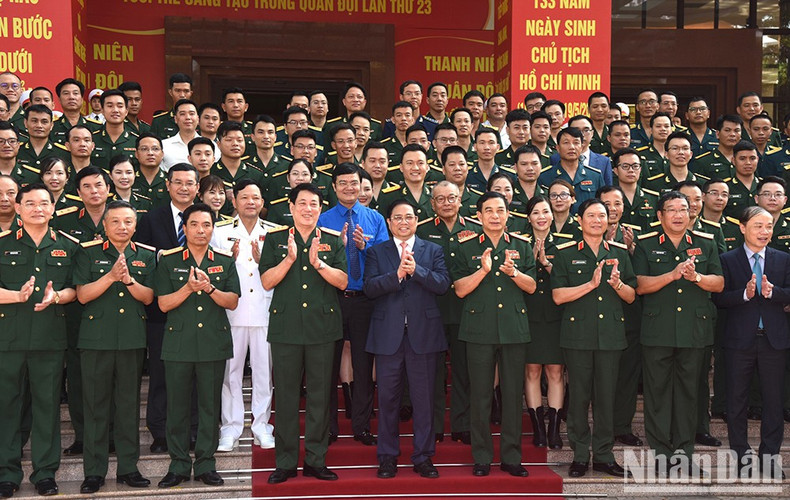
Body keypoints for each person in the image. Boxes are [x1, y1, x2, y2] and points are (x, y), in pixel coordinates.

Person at [260, 183, 348, 485]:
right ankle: (285, 462)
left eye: (314, 204)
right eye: (303, 203)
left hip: (322, 330)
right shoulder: (274, 240)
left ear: (320, 209)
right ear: (291, 206)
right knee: (285, 398)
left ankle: (315, 460)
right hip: (285, 330)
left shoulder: (333, 241)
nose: (308, 209)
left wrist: (317, 263)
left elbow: (343, 282)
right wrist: (289, 259)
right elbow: (267, 282)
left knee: (320, 398)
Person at [633, 190, 724, 475]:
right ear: (660, 216)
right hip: (657, 330)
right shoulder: (646, 244)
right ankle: (661, 452)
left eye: (683, 209)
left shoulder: (705, 243)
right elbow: (640, 285)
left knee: (688, 393)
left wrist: (695, 277)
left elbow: (719, 283)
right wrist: (672, 275)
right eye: (671, 209)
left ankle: (684, 452)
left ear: (690, 214)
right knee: (657, 392)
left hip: (693, 331)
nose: (677, 214)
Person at [0, 183, 79, 498]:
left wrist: (58, 296)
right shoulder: (2, 244)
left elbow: (76, 289)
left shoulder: (69, 246)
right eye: (30, 203)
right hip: (9, 339)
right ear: (17, 208)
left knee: (47, 407)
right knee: (7, 407)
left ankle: (45, 472)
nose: (38, 208)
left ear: (53, 208)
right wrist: (14, 296)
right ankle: (7, 472)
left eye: (44, 203)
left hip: (49, 339)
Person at [450, 191, 537, 478]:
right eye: (489, 210)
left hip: (513, 328)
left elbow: (532, 287)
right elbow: (460, 289)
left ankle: (512, 457)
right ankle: (482, 457)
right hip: (479, 329)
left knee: (513, 395)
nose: (496, 215)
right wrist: (483, 271)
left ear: (508, 214)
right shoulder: (465, 246)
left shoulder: (522, 246)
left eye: (501, 210)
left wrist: (514, 273)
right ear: (479, 215)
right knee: (481, 395)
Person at [154, 203, 240, 488]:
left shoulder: (225, 261)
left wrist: (210, 288)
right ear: (185, 228)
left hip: (212, 344)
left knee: (208, 407)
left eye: (206, 225)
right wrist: (188, 288)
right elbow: (164, 303)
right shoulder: (168, 260)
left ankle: (205, 464)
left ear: (213, 228)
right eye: (194, 224)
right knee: (176, 407)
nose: (201, 230)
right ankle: (178, 465)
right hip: (179, 344)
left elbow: (232, 301)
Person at [74, 201, 155, 493]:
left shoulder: (146, 255)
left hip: (131, 339)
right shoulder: (88, 252)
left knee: (128, 406)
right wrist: (110, 277)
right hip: (96, 340)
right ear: (105, 226)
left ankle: (128, 468)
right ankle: (93, 472)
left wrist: (129, 280)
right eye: (116, 222)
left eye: (128, 222)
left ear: (135, 225)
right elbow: (82, 295)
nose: (123, 227)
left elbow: (149, 298)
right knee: (95, 406)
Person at [364, 199, 450, 479]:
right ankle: (387, 457)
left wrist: (417, 271)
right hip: (387, 336)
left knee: (424, 400)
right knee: (387, 400)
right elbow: (369, 288)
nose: (403, 222)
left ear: (417, 221)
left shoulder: (433, 250)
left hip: (423, 337)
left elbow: (442, 284)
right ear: (389, 222)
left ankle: (423, 457)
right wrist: (397, 275)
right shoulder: (377, 252)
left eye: (409, 217)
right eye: (397, 217)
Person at [552, 198, 636, 478]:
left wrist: (618, 284)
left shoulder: (621, 253)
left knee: (606, 398)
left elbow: (632, 295)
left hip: (610, 337)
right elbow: (558, 296)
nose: (598, 220)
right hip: (577, 336)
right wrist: (590, 284)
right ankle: (579, 455)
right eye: (591, 216)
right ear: (579, 220)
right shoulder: (564, 253)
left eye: (603, 215)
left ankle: (603, 455)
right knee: (578, 398)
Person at [713, 206, 790, 479]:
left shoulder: (783, 259)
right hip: (738, 341)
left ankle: (770, 458)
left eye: (769, 226)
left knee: (773, 402)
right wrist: (744, 295)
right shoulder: (726, 259)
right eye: (758, 226)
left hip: (774, 341)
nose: (764, 232)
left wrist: (775, 292)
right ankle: (742, 458)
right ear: (743, 227)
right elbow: (718, 298)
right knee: (736, 402)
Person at [318, 162, 389, 445]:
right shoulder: (322, 219)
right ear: (334, 187)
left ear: (362, 187)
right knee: (327, 366)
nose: (350, 188)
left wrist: (364, 248)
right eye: (343, 183)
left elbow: (385, 260)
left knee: (363, 365)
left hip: (365, 301)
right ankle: (329, 427)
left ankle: (361, 426)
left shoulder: (375, 219)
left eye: (354, 183)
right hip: (331, 299)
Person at [135, 163, 200, 454]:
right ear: (167, 185)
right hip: (161, 312)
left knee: (197, 376)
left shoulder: (205, 218)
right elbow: (142, 263)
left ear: (198, 187)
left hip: (200, 311)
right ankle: (160, 432)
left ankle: (195, 429)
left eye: (190, 183)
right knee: (161, 375)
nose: (184, 188)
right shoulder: (150, 219)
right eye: (178, 182)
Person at [211, 180, 277, 451]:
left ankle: (262, 426)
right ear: (234, 201)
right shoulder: (219, 231)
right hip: (232, 312)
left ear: (262, 203)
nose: (251, 202)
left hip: (264, 310)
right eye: (245, 197)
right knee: (231, 373)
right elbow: (213, 267)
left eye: (256, 197)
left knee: (264, 374)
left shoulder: (274, 232)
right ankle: (230, 427)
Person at [417, 181, 478, 445]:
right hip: (433, 309)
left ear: (460, 199)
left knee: (465, 370)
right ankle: (435, 425)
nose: (446, 203)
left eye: (451, 197)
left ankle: (462, 424)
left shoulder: (476, 229)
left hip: (468, 310)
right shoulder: (422, 231)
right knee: (434, 372)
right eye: (440, 199)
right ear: (432, 204)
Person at [522, 195, 569, 449]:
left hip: (555, 316)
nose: (541, 217)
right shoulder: (518, 243)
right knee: (531, 371)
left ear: (552, 215)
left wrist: (546, 264)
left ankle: (554, 430)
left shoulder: (565, 244)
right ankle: (538, 428)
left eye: (545, 212)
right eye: (536, 212)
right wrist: (530, 257)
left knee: (555, 372)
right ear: (528, 218)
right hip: (527, 316)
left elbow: (569, 280)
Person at [539, 128, 605, 214]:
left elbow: (602, 206)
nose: (571, 147)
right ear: (558, 148)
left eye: (576, 143)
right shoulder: (544, 176)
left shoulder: (595, 175)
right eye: (566, 143)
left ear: (581, 147)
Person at [90, 90, 137, 170]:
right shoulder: (92, 139)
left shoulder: (136, 140)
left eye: (120, 106)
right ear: (102, 110)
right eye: (110, 106)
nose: (115, 110)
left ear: (126, 111)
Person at [150, 73, 194, 140]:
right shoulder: (159, 121)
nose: (182, 95)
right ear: (170, 92)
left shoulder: (197, 120)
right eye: (178, 91)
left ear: (191, 93)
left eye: (186, 91)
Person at [132, 133, 170, 209]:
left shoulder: (170, 180)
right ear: (136, 154)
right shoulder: (130, 179)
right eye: (144, 149)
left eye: (155, 149)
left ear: (162, 154)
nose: (150, 153)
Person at [162, 99, 201, 172]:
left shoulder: (210, 145)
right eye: (182, 114)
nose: (188, 118)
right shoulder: (164, 146)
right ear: (176, 119)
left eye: (192, 114)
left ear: (198, 119)